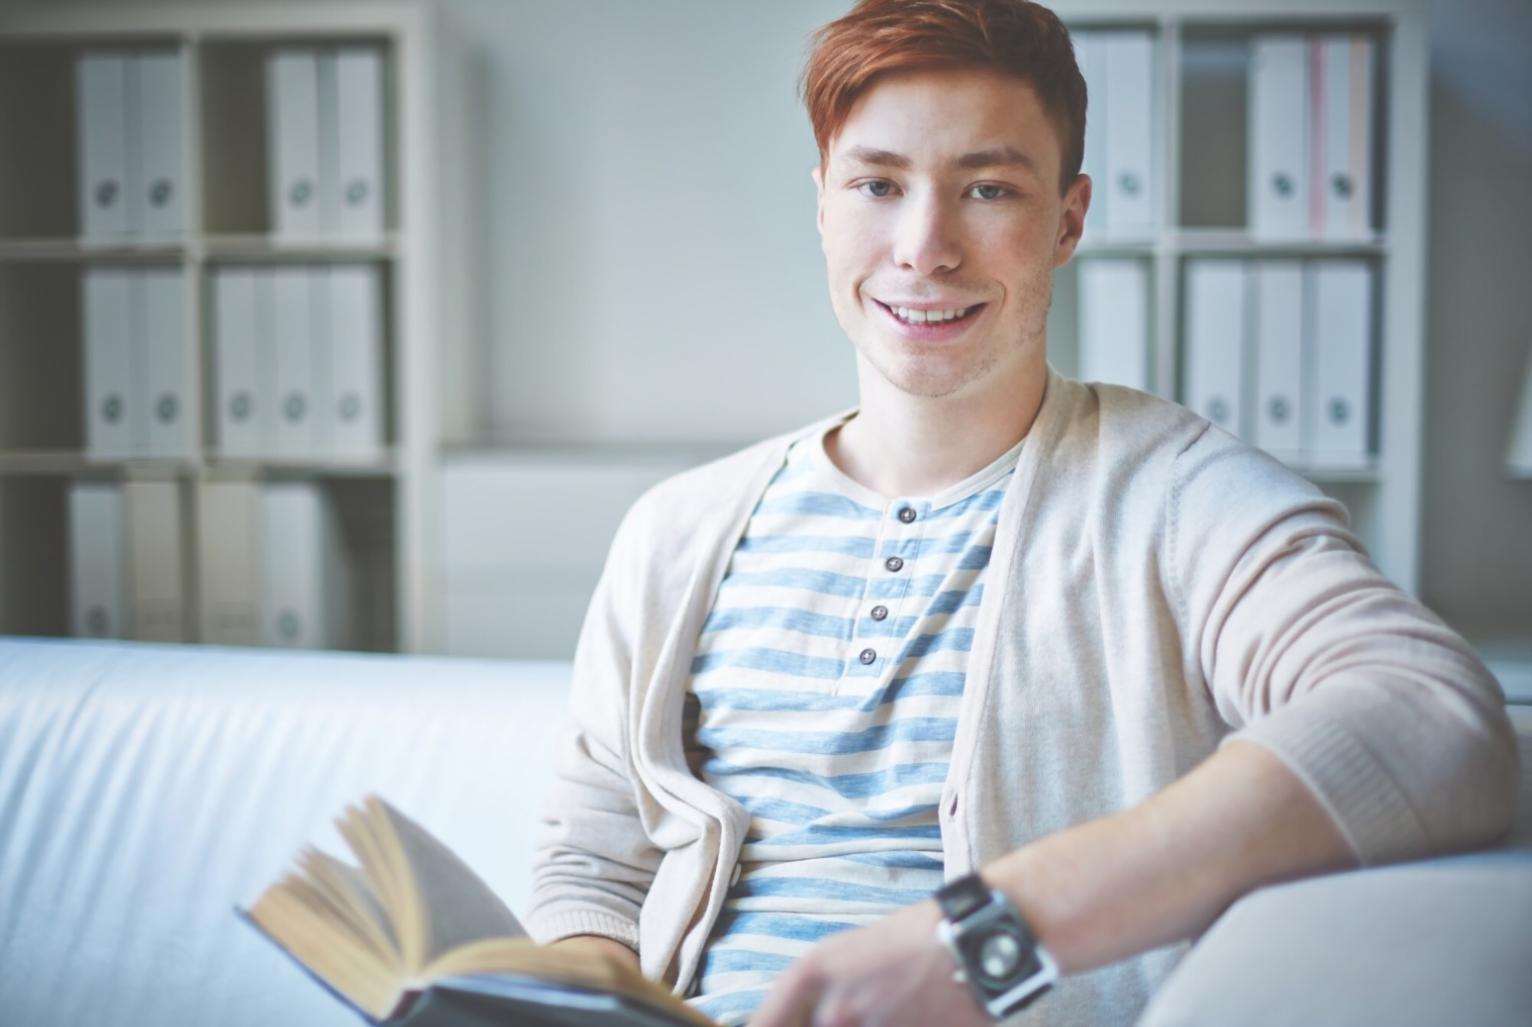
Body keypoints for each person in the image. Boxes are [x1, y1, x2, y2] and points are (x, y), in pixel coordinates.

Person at [524, 1, 1520, 1024]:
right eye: (876, 185)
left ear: (1066, 220)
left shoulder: (1175, 495)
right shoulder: (676, 529)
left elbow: (1431, 719)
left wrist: (985, 935)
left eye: (987, 188)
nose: (925, 247)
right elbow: (591, 862)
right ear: (822, 204)